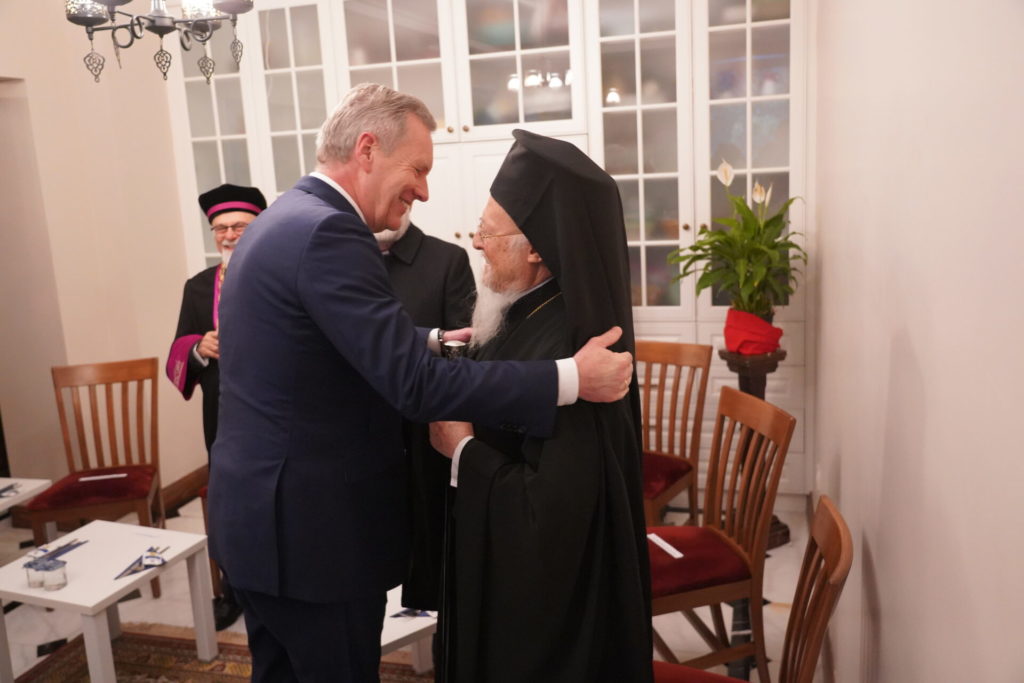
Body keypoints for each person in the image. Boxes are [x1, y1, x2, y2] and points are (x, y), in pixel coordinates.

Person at [207, 83, 634, 683]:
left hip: (261, 523)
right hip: (309, 537)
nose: (424, 191)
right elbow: (414, 388)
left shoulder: (288, 216)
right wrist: (570, 377)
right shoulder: (330, 232)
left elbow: (317, 343)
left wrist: (431, 339)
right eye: (418, 169)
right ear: (367, 149)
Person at [429, 130, 653, 683]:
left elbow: (551, 518)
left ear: (536, 248)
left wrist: (463, 453)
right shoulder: (520, 312)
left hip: (544, 630)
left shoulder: (578, 354)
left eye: (487, 232)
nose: (476, 243)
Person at [166, 182, 267, 631]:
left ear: (259, 227)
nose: (229, 235)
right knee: (230, 508)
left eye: (239, 226)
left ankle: (278, 588)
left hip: (275, 409)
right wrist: (199, 347)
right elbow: (179, 346)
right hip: (223, 416)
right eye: (220, 228)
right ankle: (232, 590)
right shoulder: (198, 287)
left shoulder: (281, 273)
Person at [376, 209, 476, 617]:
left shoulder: (447, 259)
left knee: (430, 535)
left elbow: (461, 351)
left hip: (425, 425)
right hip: (363, 426)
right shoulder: (346, 257)